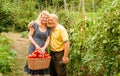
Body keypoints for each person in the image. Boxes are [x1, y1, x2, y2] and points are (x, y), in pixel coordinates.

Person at [24, 10, 51, 76]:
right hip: (34, 47)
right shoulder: (35, 25)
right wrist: (36, 45)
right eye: (43, 17)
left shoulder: (48, 28)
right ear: (40, 17)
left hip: (43, 49)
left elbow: (48, 40)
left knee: (42, 67)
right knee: (33, 68)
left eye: (46, 17)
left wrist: (44, 48)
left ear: (48, 18)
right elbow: (30, 36)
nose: (44, 19)